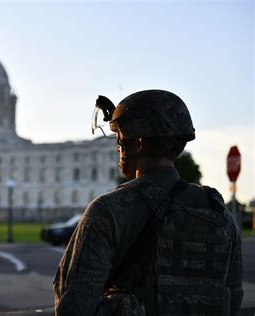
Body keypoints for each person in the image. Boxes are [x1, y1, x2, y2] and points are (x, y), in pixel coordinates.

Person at [53, 90, 243, 315]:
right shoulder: (218, 212)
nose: (118, 147)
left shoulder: (109, 210)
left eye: (120, 138)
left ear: (139, 142)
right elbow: (232, 297)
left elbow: (74, 305)